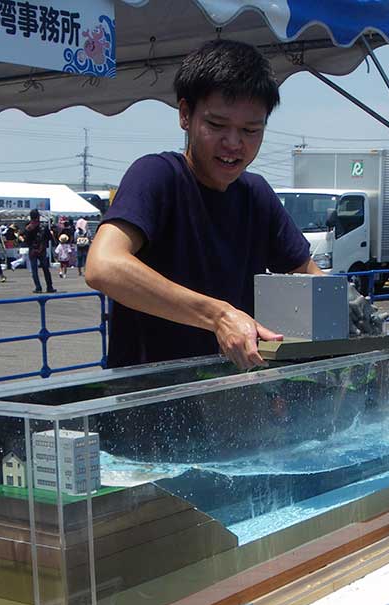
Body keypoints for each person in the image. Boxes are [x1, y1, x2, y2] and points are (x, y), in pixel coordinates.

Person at [84, 39, 319, 370]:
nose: (234, 143)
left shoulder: (256, 193)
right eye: (217, 125)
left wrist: (348, 307)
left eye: (251, 130)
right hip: (148, 400)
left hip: (230, 396)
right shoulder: (157, 175)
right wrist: (219, 316)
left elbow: (309, 272)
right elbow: (102, 266)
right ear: (185, 115)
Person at [23, 208, 56, 294]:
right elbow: (49, 238)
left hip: (32, 250)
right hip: (42, 249)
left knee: (34, 270)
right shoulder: (43, 226)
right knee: (45, 269)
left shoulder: (28, 227)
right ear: (39, 217)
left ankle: (38, 287)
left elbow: (25, 241)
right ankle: (49, 287)